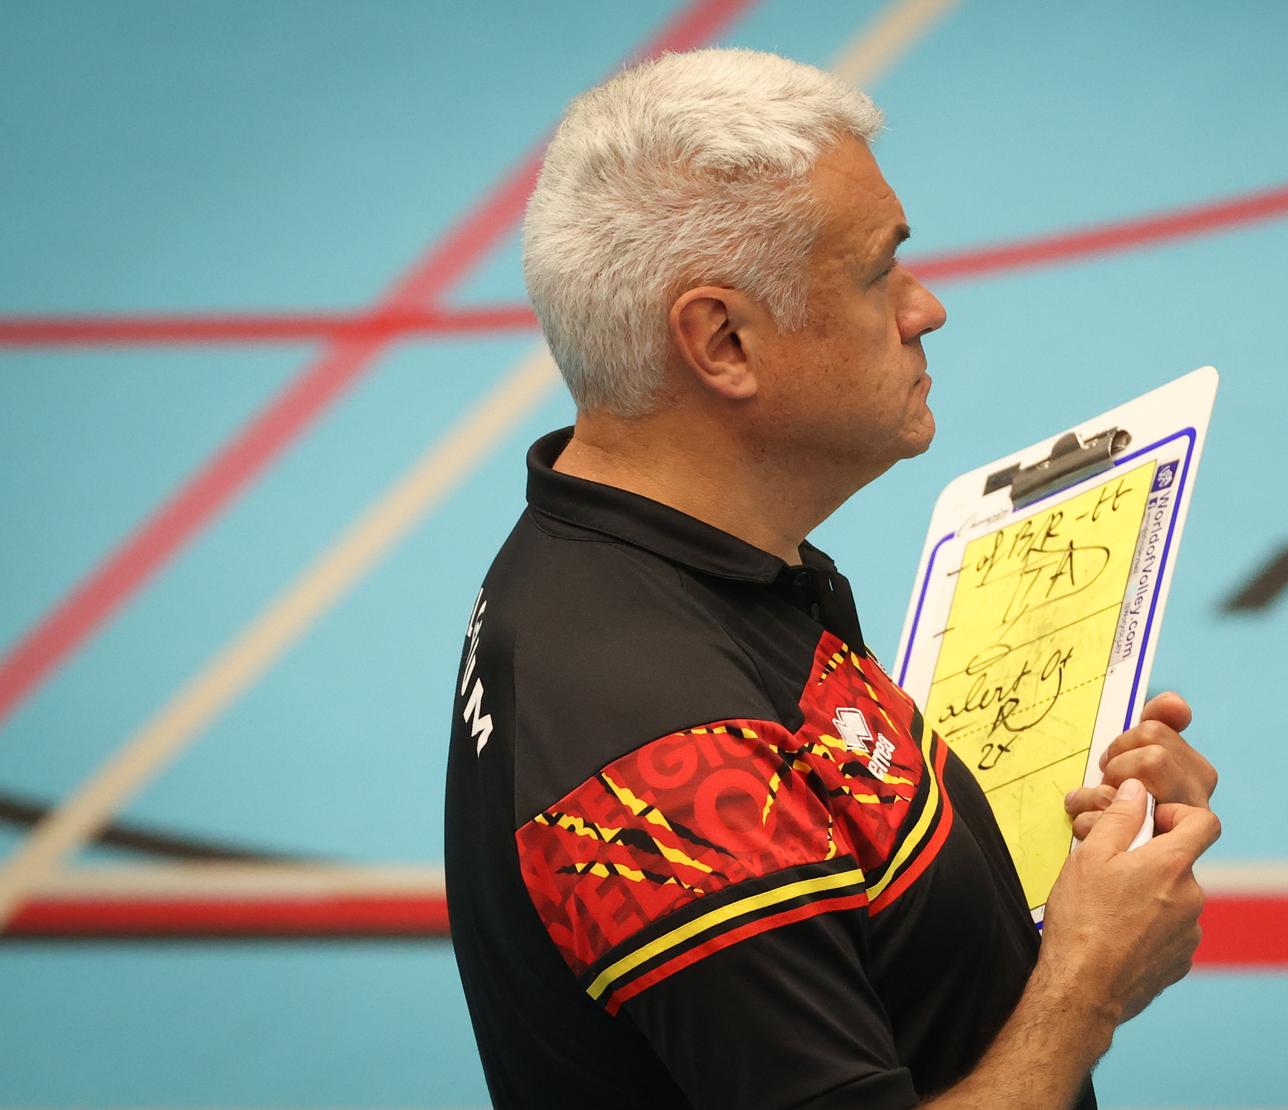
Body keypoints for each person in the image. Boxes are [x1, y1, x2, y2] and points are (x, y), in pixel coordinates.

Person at [443, 47, 1221, 1110]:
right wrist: (1089, 986)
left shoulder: (668, 557)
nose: (926, 306)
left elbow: (851, 897)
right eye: (877, 272)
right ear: (722, 340)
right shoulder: (665, 756)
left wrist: (1059, 868)